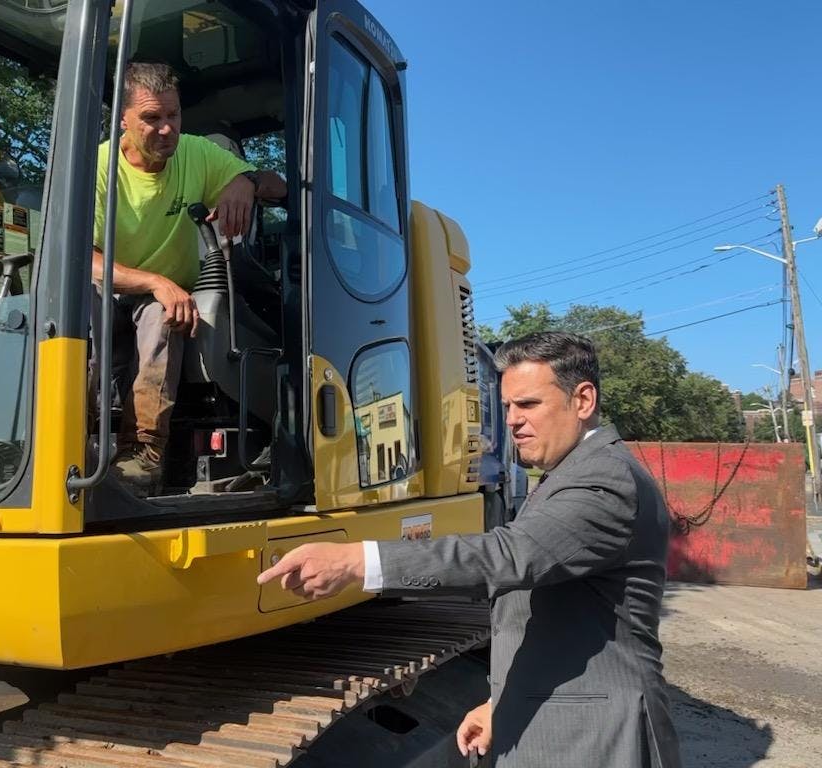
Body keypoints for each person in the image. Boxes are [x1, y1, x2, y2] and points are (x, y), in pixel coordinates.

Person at [258, 332, 682, 767]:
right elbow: (546, 614)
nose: (513, 420)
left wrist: (357, 560)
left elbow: (510, 555)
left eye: (529, 404)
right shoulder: (570, 473)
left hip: (593, 735)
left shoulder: (604, 481)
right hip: (553, 716)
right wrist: (504, 701)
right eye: (508, 407)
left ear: (584, 399)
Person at [91, 62, 286, 492]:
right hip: (106, 290)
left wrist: (247, 180)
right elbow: (86, 261)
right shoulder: (100, 168)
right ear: (123, 119)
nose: (166, 129)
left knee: (162, 315)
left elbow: (281, 185)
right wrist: (157, 281)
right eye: (151, 118)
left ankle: (143, 452)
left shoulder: (197, 153)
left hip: (162, 301)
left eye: (173, 116)